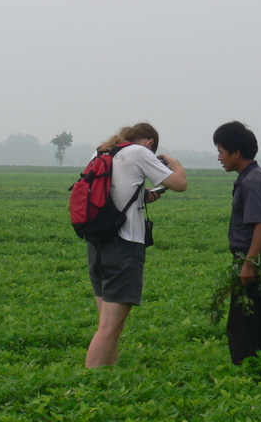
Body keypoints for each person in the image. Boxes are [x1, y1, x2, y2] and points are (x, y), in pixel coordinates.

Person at [84, 122, 187, 368]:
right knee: (109, 328)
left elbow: (110, 193)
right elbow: (180, 184)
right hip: (124, 246)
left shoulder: (101, 152)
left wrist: (142, 195)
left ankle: (106, 381)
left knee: (108, 327)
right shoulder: (139, 152)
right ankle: (88, 387)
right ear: (150, 143)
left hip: (98, 244)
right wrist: (175, 164)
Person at [213, 121, 261, 365]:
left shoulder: (252, 181)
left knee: (242, 324)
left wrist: (250, 260)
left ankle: (246, 371)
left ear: (236, 153)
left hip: (251, 260)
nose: (219, 157)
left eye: (221, 151)